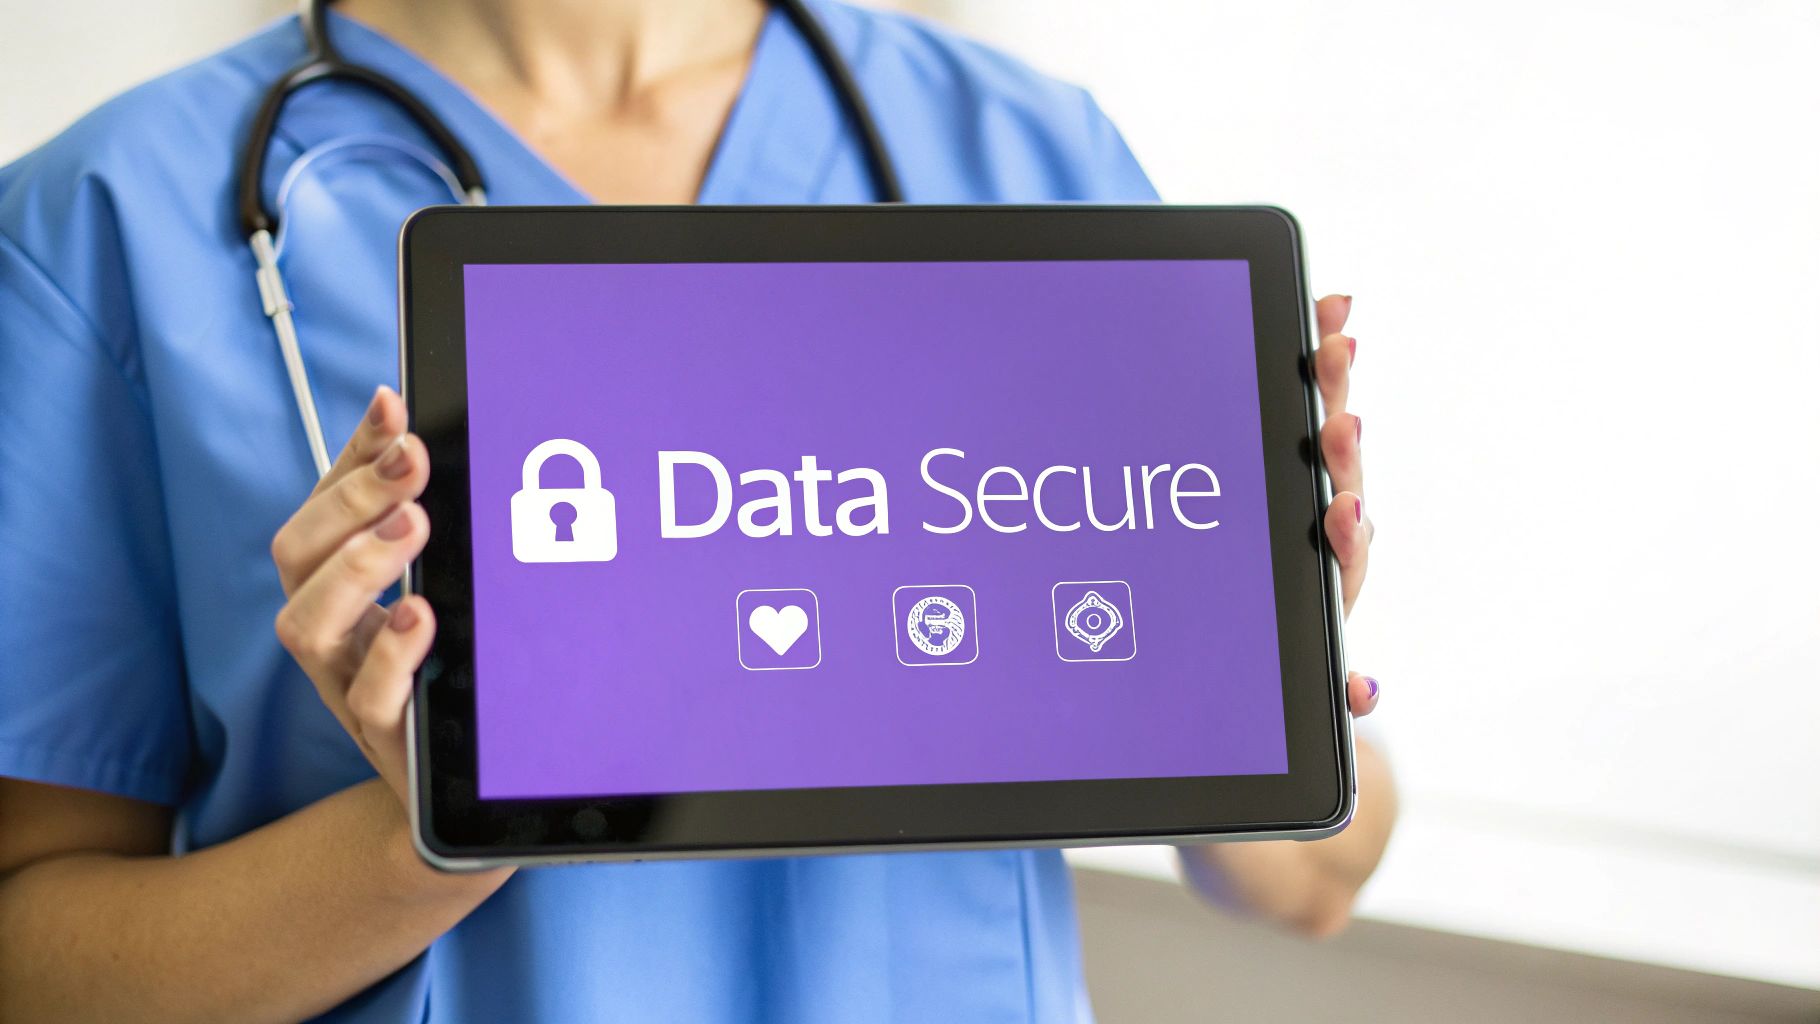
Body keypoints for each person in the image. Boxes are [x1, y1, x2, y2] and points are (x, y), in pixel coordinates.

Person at [0, 1, 1394, 1020]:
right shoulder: (108, 216)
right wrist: (427, 835)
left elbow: (1312, 883)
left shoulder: (1016, 140)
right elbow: (36, 960)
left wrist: (1257, 669)